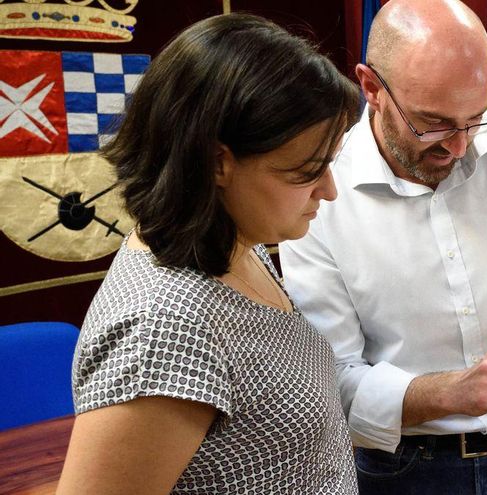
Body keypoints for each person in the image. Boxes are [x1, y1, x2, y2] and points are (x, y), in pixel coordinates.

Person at [278, 0, 487, 493]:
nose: (459, 146)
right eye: (433, 123)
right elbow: (332, 379)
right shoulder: (318, 192)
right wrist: (451, 392)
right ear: (371, 88)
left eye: (474, 118)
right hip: (404, 472)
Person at [56, 13, 360, 494]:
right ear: (219, 162)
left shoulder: (232, 243)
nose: (329, 190)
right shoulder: (161, 332)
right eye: (306, 170)